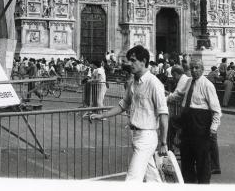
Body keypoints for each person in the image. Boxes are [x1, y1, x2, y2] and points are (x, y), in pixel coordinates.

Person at [90, 45, 168, 182]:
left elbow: (163, 114)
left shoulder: (154, 83)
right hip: (136, 135)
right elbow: (123, 105)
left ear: (143, 61)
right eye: (129, 60)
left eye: (133, 60)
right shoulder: (133, 82)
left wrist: (164, 142)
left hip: (147, 136)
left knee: (132, 180)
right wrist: (101, 115)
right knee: (152, 178)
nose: (129, 64)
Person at [167, 59, 221, 184]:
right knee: (186, 159)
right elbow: (179, 94)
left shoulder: (207, 85)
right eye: (192, 68)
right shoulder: (189, 82)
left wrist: (213, 128)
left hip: (200, 123)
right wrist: (165, 99)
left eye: (197, 68)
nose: (194, 70)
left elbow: (216, 110)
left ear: (202, 69)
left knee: (202, 160)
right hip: (187, 123)